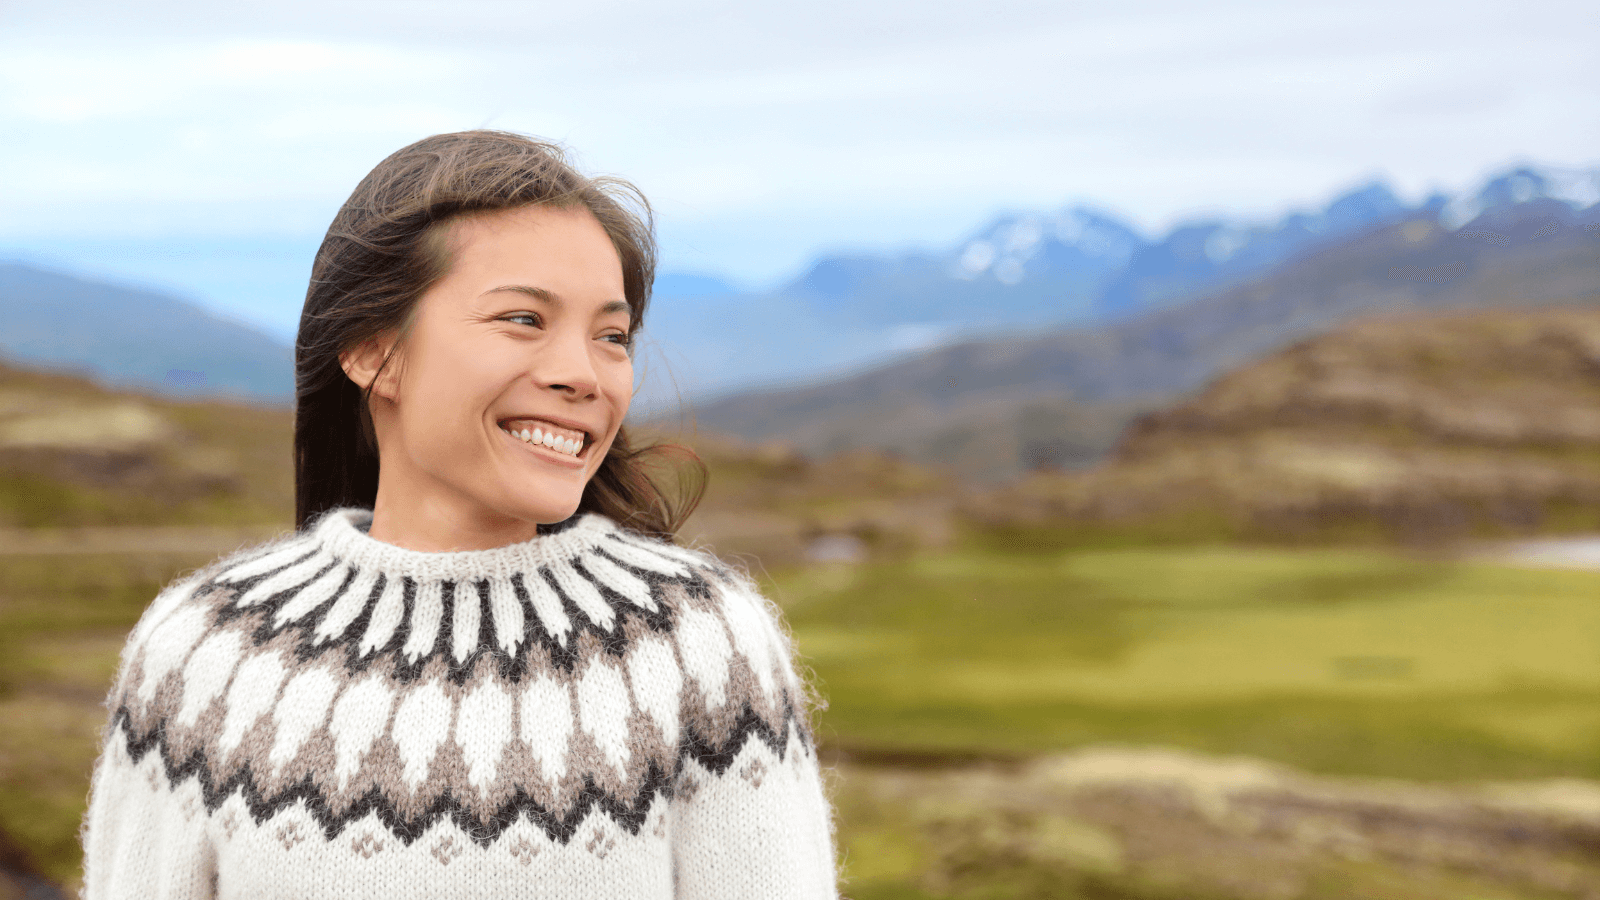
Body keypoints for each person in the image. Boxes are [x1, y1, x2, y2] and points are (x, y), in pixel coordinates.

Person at [80, 131, 838, 898]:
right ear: (374, 351)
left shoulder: (697, 644)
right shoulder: (204, 654)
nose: (584, 375)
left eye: (612, 336)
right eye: (523, 320)